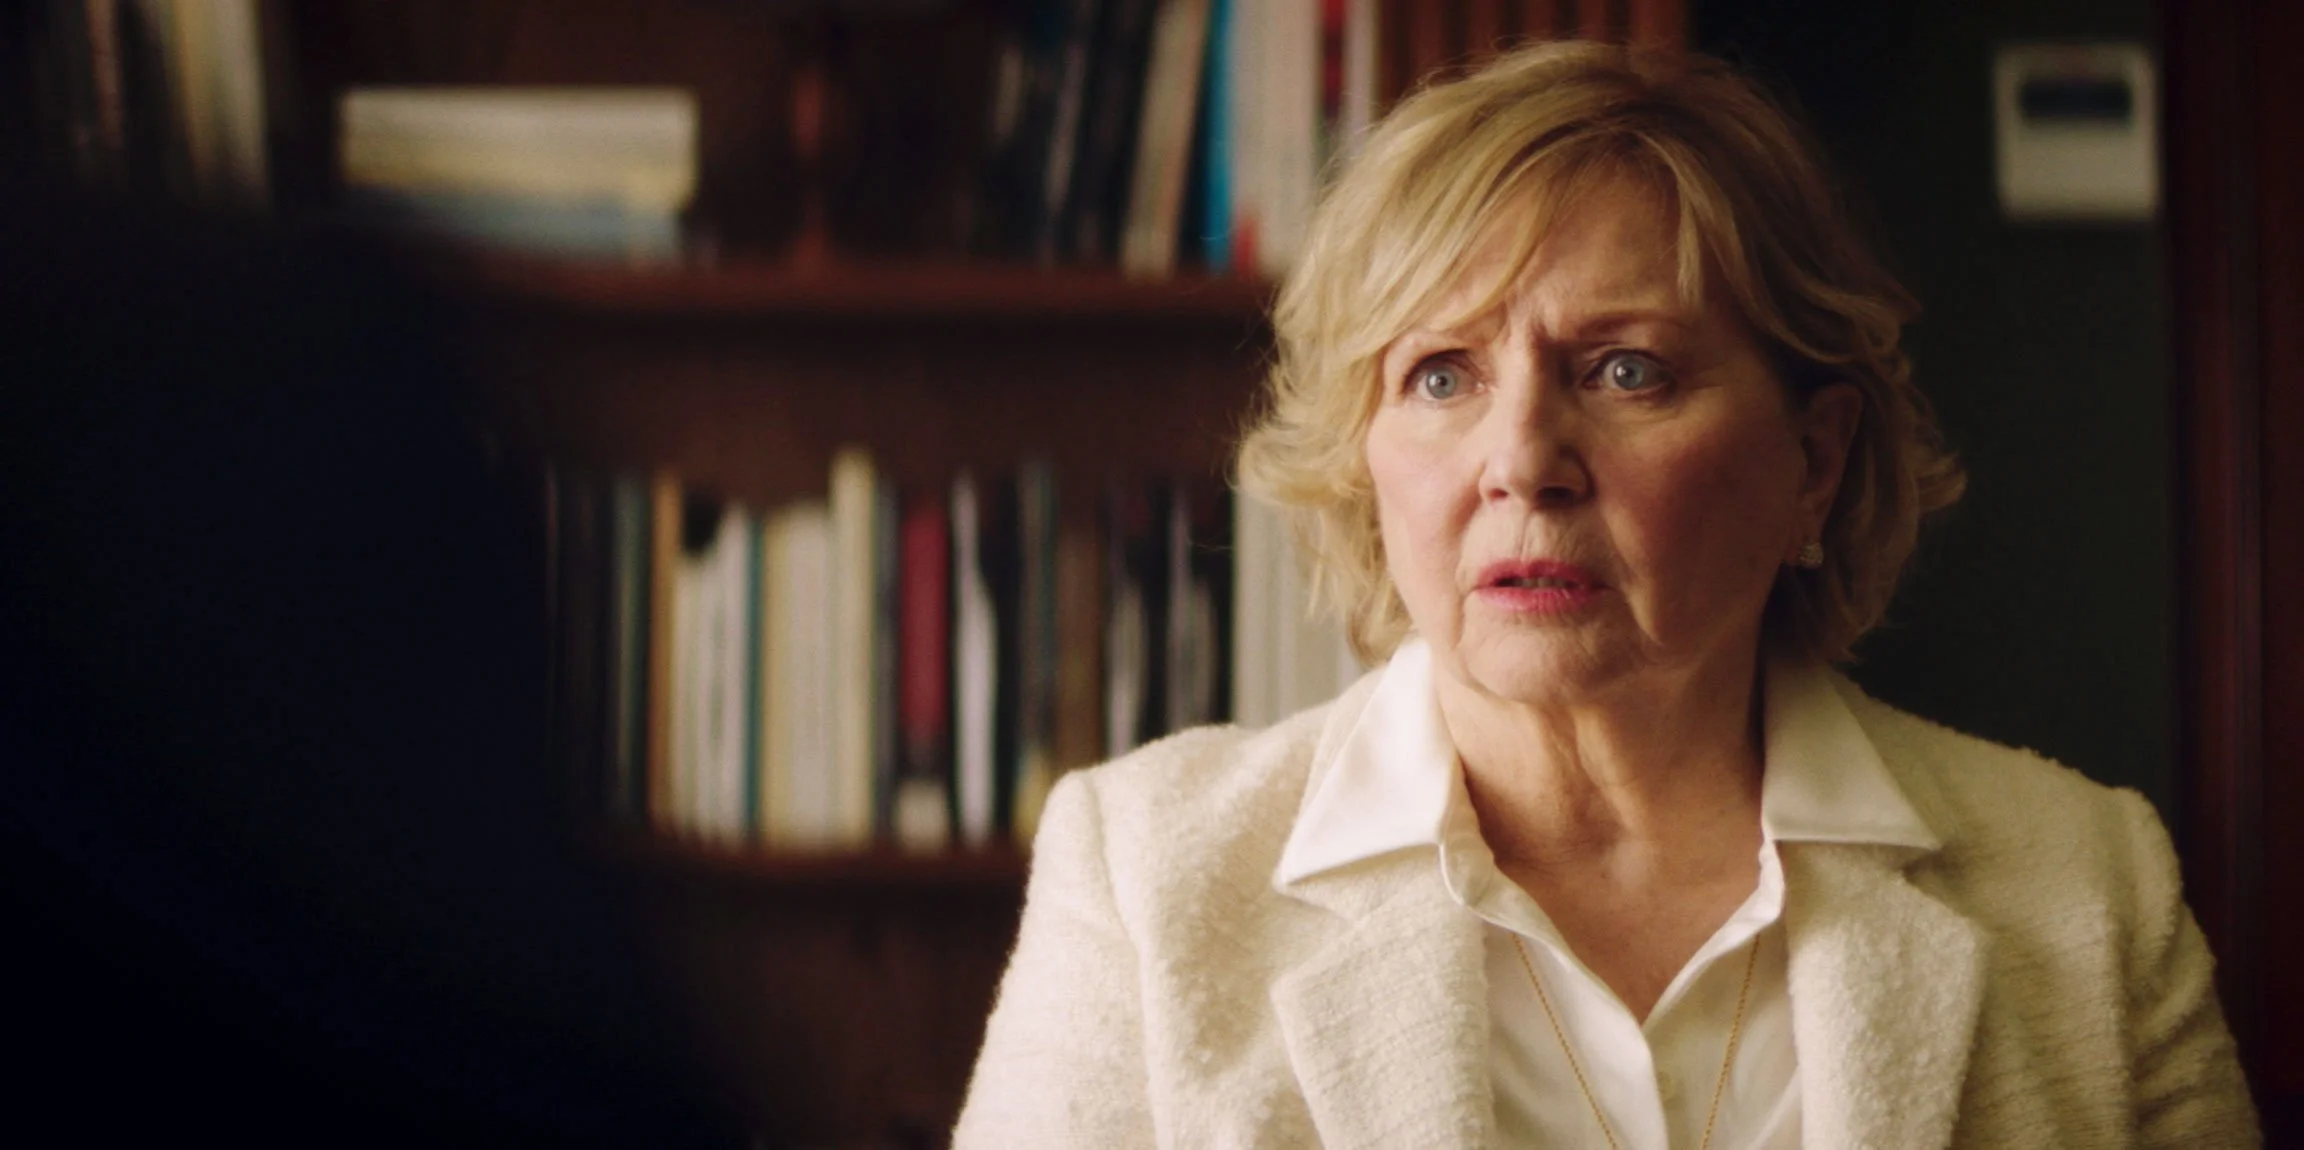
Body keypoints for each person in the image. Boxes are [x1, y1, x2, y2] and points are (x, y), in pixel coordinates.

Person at [953, 41, 2259, 1148]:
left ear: (1815, 461)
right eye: (1442, 376)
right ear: (1366, 454)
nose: (1521, 458)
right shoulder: (1149, 880)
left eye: (1626, 370)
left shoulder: (2089, 892)